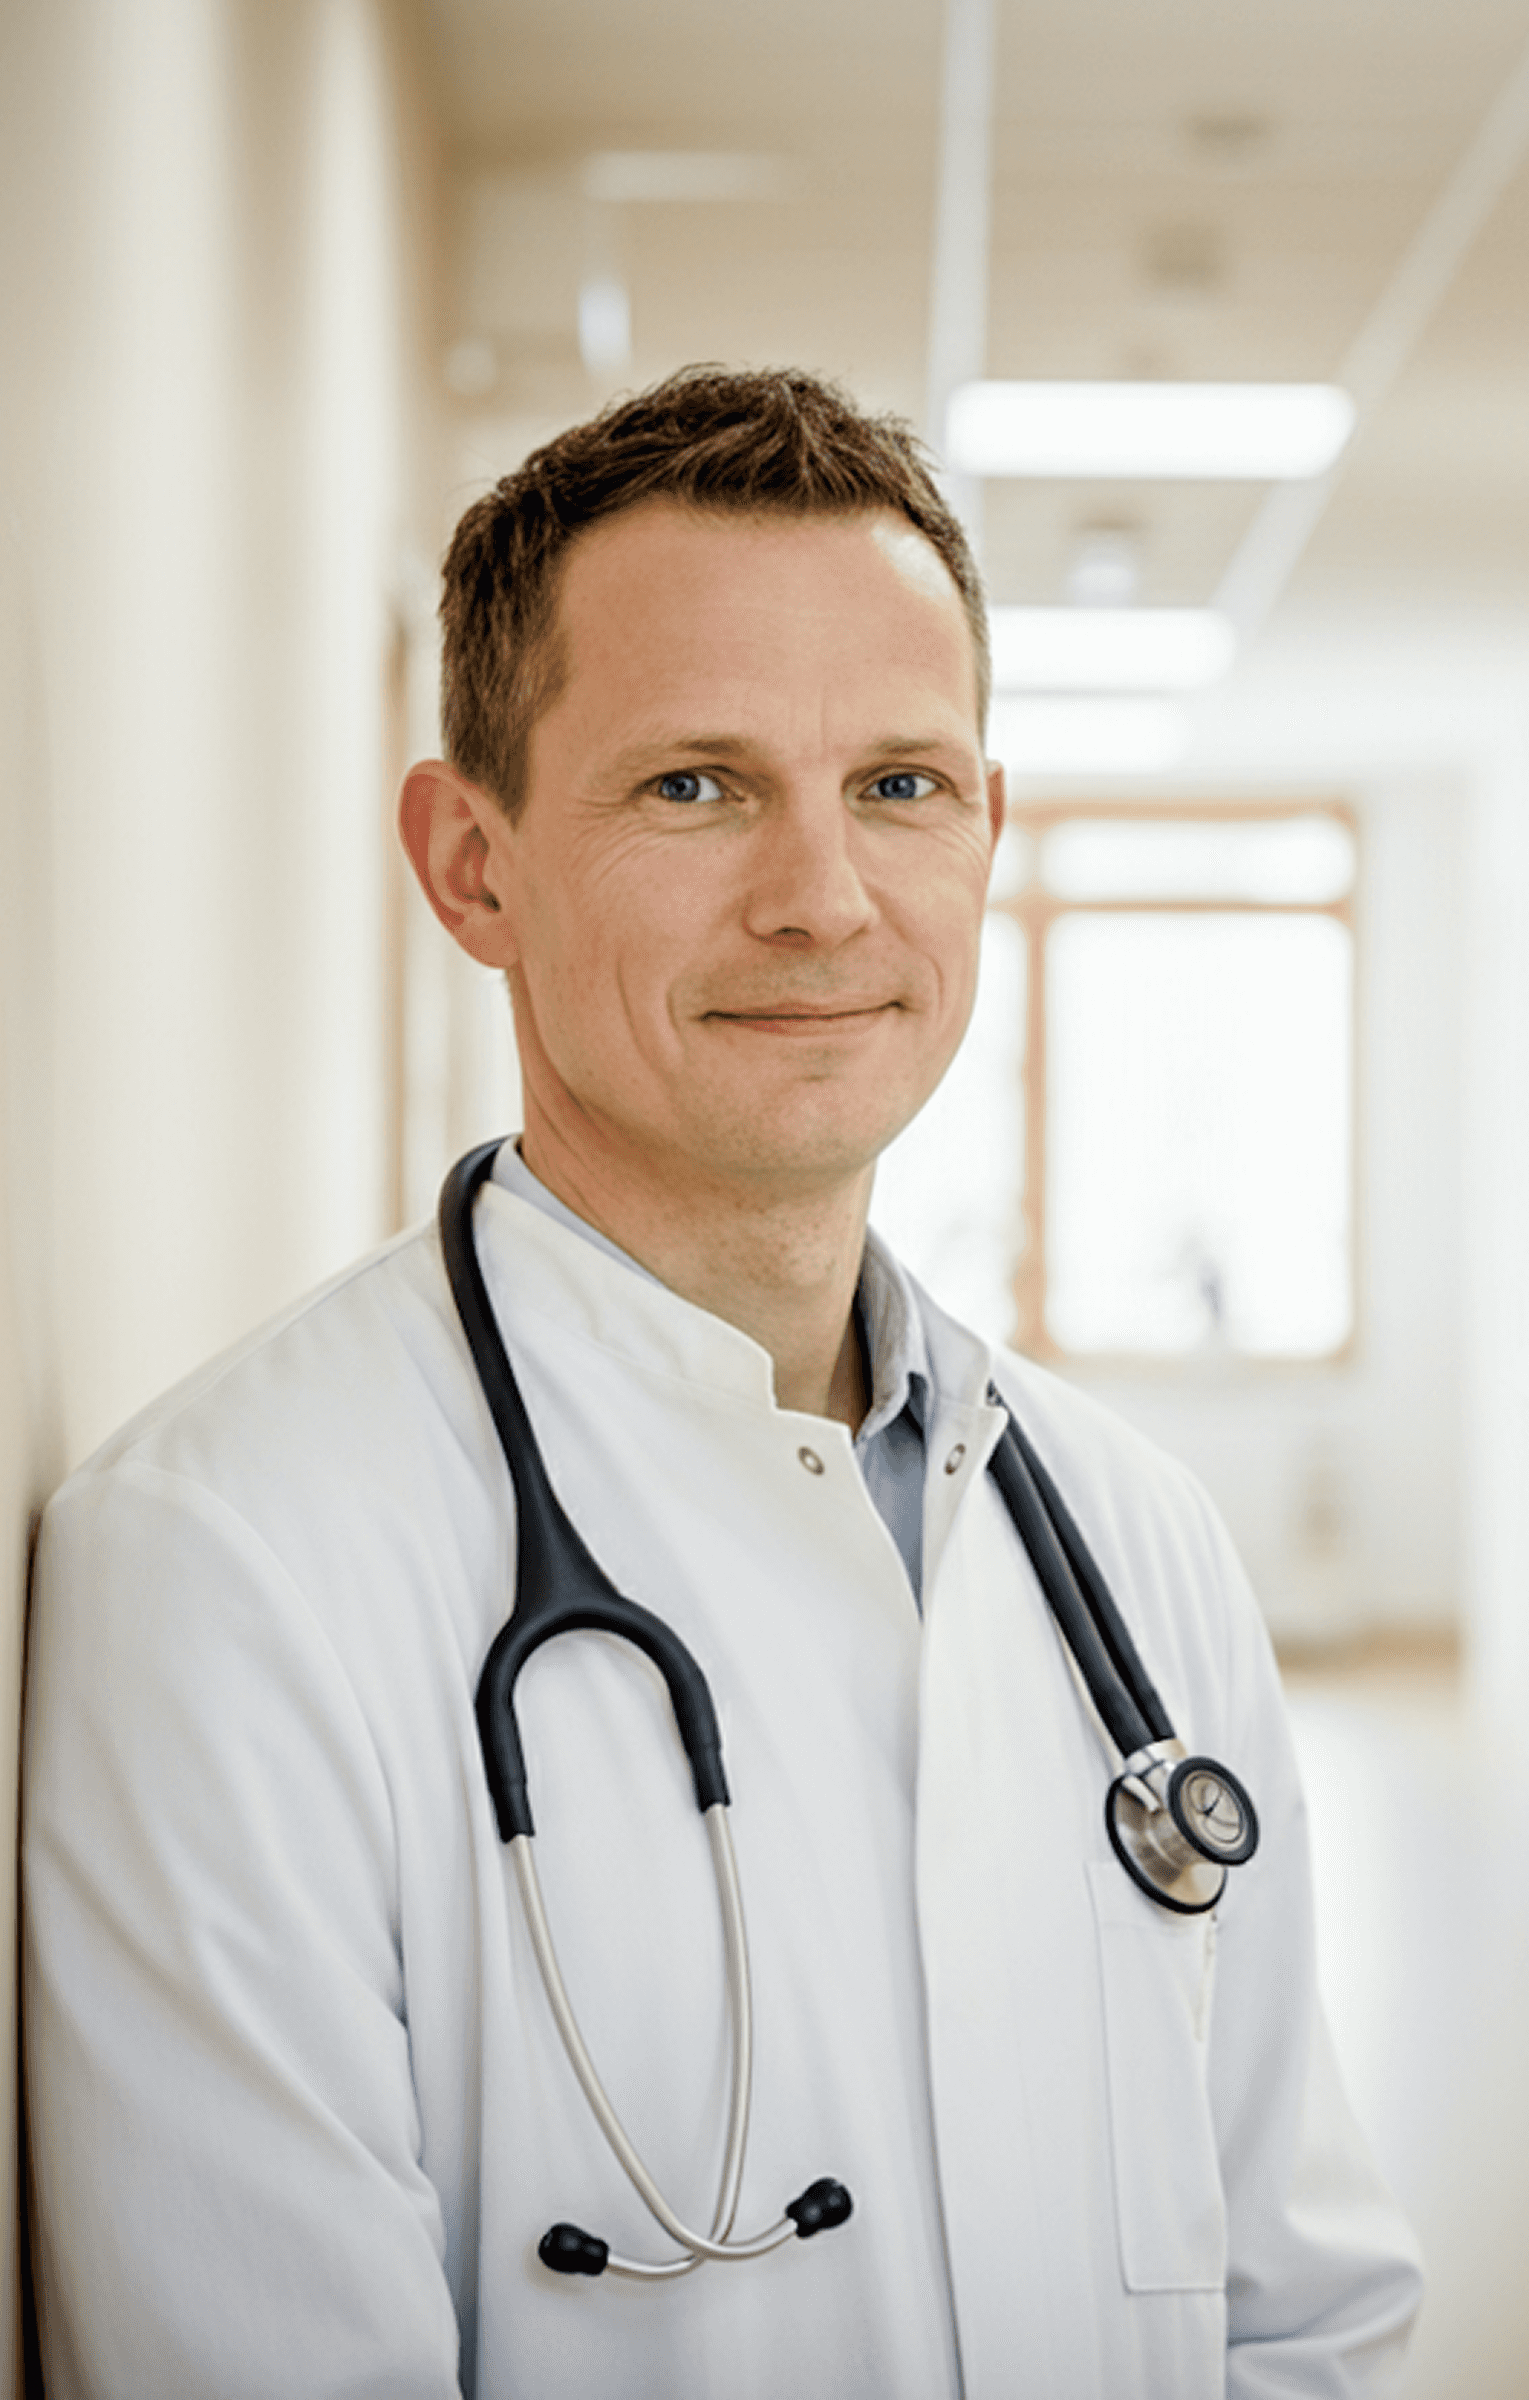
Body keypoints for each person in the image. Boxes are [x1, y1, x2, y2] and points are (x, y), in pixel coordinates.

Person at [22, 365, 1422, 2399]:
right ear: (470, 864)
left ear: (987, 832)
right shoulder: (230, 1573)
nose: (823, 897)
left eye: (901, 787)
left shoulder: (1129, 1536)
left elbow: (1304, 2314)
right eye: (694, 785)